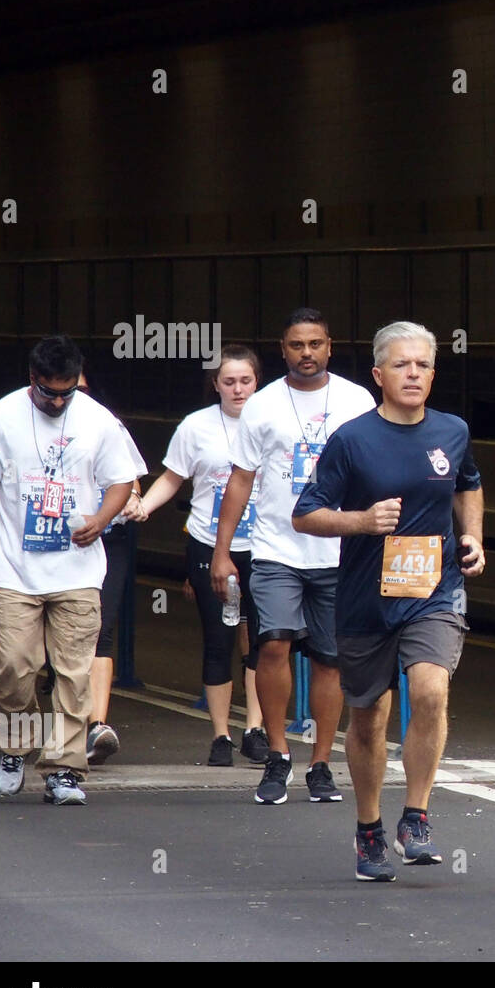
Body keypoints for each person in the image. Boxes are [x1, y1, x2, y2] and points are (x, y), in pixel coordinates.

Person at [294, 321, 484, 881]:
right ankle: (369, 829)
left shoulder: (453, 431)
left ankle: (417, 816)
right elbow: (305, 513)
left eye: (422, 365)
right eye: (401, 365)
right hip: (365, 599)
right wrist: (360, 520)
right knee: (370, 714)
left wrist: (470, 534)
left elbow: (468, 484)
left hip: (435, 590)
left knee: (430, 689)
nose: (413, 374)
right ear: (379, 375)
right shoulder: (352, 439)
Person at [210, 309, 374, 804]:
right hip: (277, 549)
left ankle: (321, 762)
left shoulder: (356, 400)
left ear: (330, 346)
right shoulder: (261, 405)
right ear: (283, 350)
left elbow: (377, 469)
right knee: (273, 646)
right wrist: (222, 552)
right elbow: (241, 479)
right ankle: (278, 754)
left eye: (316, 344)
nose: (307, 353)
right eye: (297, 345)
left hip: (340, 552)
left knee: (330, 659)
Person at [0, 336, 137, 804]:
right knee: (14, 666)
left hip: (78, 571)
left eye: (66, 393)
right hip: (15, 570)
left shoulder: (98, 420)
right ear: (32, 380)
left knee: (73, 673)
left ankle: (64, 767)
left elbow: (122, 480)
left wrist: (102, 520)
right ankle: (13, 748)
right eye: (48, 393)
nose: (58, 401)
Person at [135, 345, 268, 766]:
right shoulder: (196, 427)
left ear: (257, 381)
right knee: (219, 636)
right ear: (215, 385)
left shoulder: (271, 422)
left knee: (263, 640)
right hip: (209, 543)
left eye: (245, 380)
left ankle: (256, 729)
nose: (238, 389)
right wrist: (144, 507)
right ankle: (221, 736)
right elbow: (173, 477)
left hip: (265, 545)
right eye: (228, 381)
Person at [74, 367, 149, 765]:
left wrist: (134, 498)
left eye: (82, 387)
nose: (75, 394)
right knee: (63, 636)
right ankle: (66, 722)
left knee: (101, 628)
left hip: (109, 536)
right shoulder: (30, 426)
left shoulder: (109, 425)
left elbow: (130, 477)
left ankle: (96, 726)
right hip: (59, 541)